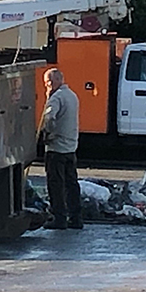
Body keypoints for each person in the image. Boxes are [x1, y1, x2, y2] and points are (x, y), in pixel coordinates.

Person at [40, 68, 82, 229]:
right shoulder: (72, 96)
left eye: (46, 83)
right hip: (71, 147)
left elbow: (49, 117)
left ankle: (59, 219)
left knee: (56, 184)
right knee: (71, 183)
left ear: (52, 82)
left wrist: (48, 134)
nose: (46, 87)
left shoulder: (56, 98)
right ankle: (76, 218)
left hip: (56, 148)